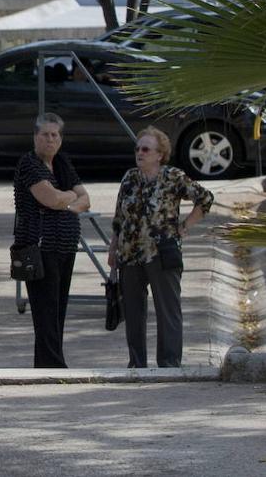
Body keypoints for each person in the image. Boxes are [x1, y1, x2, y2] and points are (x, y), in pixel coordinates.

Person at [107, 126, 213, 368]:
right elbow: (118, 217)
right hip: (130, 253)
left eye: (146, 149)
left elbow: (205, 199)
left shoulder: (173, 177)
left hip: (162, 252)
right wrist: (113, 249)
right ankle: (136, 363)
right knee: (133, 312)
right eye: (137, 149)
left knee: (168, 310)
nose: (140, 153)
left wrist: (185, 226)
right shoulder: (129, 178)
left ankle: (169, 363)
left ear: (159, 154)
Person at [13, 113, 90, 368]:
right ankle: (53, 365)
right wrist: (69, 198)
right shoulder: (29, 164)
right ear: (35, 137)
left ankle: (48, 364)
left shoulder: (62, 163)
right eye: (45, 134)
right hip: (40, 248)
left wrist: (64, 200)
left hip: (65, 246)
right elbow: (50, 198)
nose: (50, 139)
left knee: (58, 310)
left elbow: (85, 199)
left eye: (54, 134)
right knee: (45, 311)